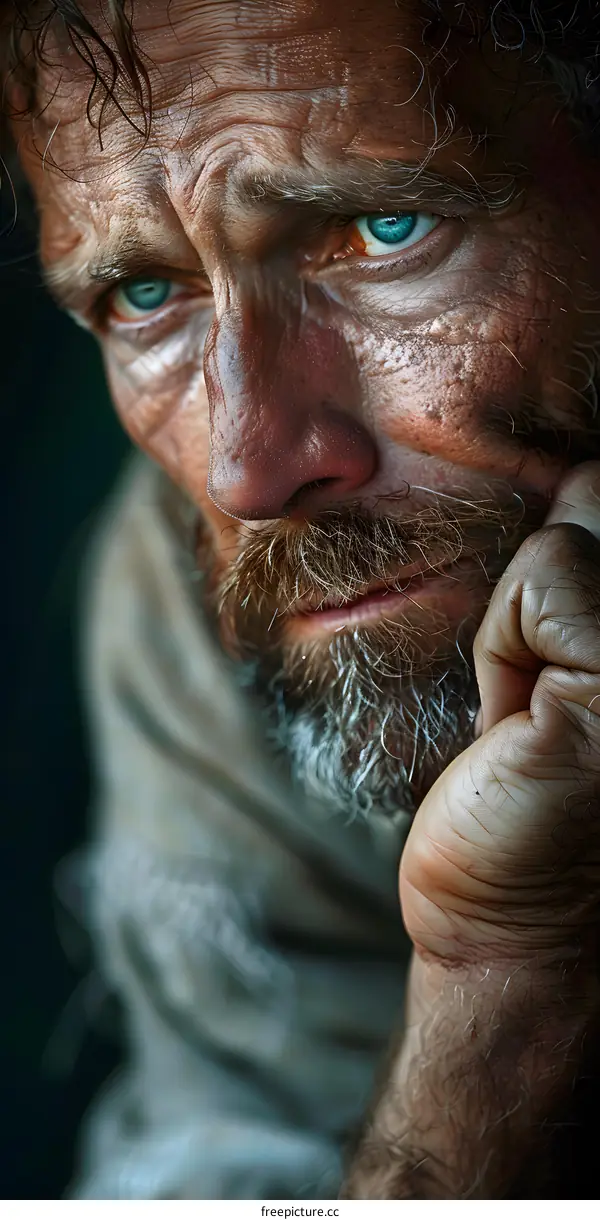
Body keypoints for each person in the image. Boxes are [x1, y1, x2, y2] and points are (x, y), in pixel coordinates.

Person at [5, 0, 600, 1199]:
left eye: (385, 228)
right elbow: (230, 1154)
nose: (250, 467)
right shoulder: (212, 582)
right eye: (142, 299)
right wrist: (501, 989)